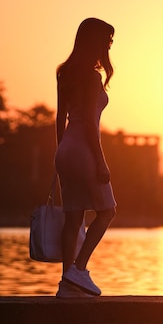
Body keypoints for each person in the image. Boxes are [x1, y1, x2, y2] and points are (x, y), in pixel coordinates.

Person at [54, 18, 117, 298]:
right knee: (107, 211)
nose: (110, 44)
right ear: (95, 41)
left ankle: (66, 284)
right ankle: (78, 270)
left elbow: (59, 118)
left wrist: (59, 153)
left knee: (73, 217)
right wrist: (101, 162)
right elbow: (91, 125)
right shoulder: (92, 78)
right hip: (84, 149)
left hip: (66, 149)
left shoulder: (64, 72)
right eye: (108, 39)